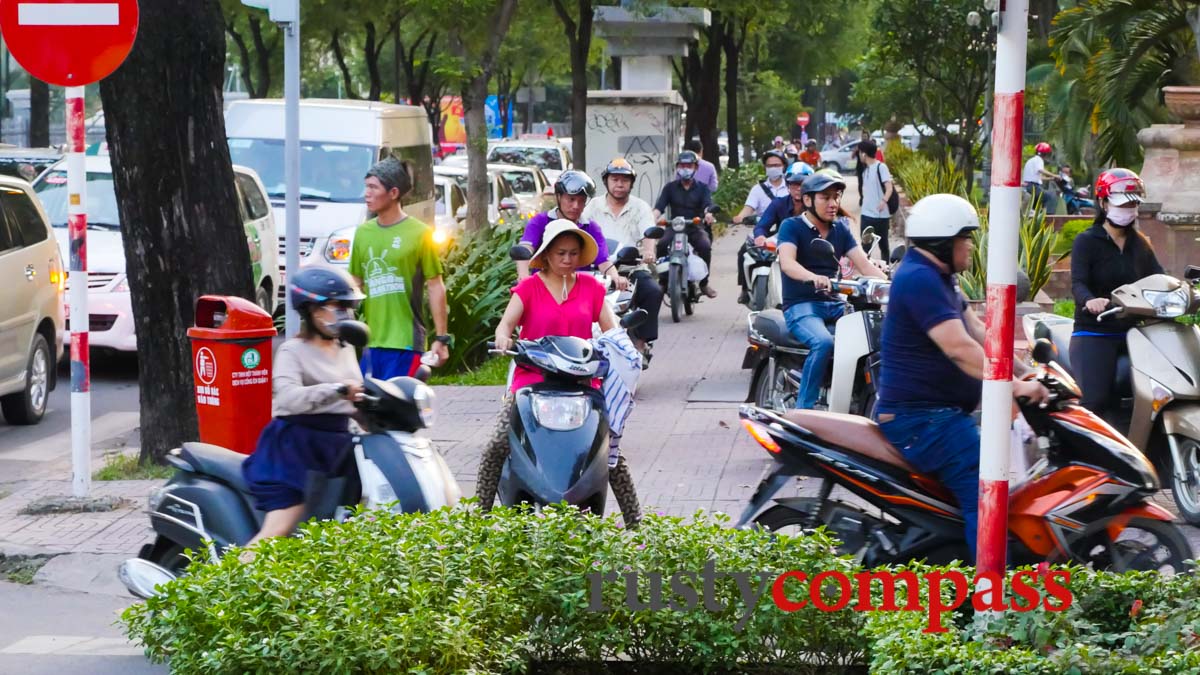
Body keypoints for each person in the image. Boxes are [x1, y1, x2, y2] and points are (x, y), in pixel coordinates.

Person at [875, 194, 1049, 561]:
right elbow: (959, 348)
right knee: (987, 493)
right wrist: (1013, 386)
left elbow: (977, 330)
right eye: (964, 239)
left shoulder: (938, 277)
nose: (970, 246)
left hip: (937, 415)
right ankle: (990, 601)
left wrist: (1025, 368)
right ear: (942, 241)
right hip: (922, 420)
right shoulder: (920, 279)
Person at [475, 220, 643, 525]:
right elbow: (506, 324)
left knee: (608, 449)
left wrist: (623, 347)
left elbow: (611, 329)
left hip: (581, 379)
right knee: (498, 441)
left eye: (574, 254)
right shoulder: (528, 288)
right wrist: (503, 338)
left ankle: (637, 524)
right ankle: (478, 516)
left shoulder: (592, 288)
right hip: (533, 379)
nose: (567, 260)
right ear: (547, 254)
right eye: (561, 253)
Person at [241, 268, 366, 548]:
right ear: (311, 310)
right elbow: (287, 399)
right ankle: (227, 583)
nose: (344, 314)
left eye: (347, 307)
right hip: (294, 450)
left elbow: (354, 396)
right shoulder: (292, 351)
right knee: (282, 527)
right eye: (336, 306)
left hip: (338, 448)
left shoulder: (345, 347)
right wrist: (337, 390)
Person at [777, 172, 887, 409]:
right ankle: (803, 411)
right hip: (801, 305)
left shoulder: (840, 230)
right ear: (808, 200)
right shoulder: (791, 226)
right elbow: (787, 263)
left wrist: (894, 284)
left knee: (876, 335)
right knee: (823, 342)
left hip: (835, 303)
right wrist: (813, 277)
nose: (833, 203)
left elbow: (865, 265)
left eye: (836, 197)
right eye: (825, 197)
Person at [1069, 168, 1161, 428]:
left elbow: (1159, 278)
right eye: (1122, 204)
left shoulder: (1140, 244)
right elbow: (1078, 283)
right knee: (1094, 401)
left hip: (1134, 332)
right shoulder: (1086, 242)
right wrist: (1089, 300)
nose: (1128, 210)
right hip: (1095, 331)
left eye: (1133, 205)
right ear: (1103, 203)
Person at [350, 157, 451, 379]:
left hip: (406, 344)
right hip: (371, 343)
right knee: (367, 409)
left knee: (399, 409)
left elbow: (435, 286)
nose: (367, 193)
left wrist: (442, 338)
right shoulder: (362, 233)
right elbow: (355, 282)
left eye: (373, 187)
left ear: (393, 193)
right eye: (366, 186)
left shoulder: (420, 233)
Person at [582, 158, 664, 358]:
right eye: (615, 179)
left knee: (652, 291)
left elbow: (648, 233)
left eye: (624, 180)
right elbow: (581, 230)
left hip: (631, 268)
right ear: (606, 181)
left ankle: (641, 342)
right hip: (597, 269)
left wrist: (648, 252)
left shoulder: (640, 207)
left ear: (631, 183)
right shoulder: (592, 206)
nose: (619, 184)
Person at [517, 170, 626, 293]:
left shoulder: (592, 228)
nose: (576, 206)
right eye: (571, 199)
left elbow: (604, 262)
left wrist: (615, 277)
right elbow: (525, 249)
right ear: (558, 196)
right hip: (543, 291)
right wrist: (523, 276)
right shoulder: (539, 221)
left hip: (580, 293)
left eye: (581, 201)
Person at [653, 150, 718, 298]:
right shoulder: (669, 188)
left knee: (705, 246)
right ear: (677, 167)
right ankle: (663, 281)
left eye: (689, 165)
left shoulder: (703, 188)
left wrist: (708, 214)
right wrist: (652, 217)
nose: (685, 168)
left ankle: (704, 283)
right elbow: (659, 207)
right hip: (674, 226)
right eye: (682, 165)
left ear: (695, 168)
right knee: (661, 245)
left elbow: (708, 205)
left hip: (694, 226)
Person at [857, 140, 895, 260]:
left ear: (864, 154)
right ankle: (867, 271)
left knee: (883, 246)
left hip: (880, 216)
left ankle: (886, 273)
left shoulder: (881, 167)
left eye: (860, 152)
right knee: (865, 247)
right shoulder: (865, 170)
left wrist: (883, 201)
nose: (859, 155)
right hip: (866, 214)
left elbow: (889, 188)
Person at [1022, 142, 1058, 213]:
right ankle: (1049, 217)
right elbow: (1040, 170)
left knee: (1037, 202)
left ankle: (1037, 215)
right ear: (1046, 154)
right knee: (1050, 197)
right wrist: (1054, 175)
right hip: (1033, 187)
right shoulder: (1039, 160)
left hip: (1029, 186)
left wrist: (1050, 179)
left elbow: (1037, 177)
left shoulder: (1032, 160)